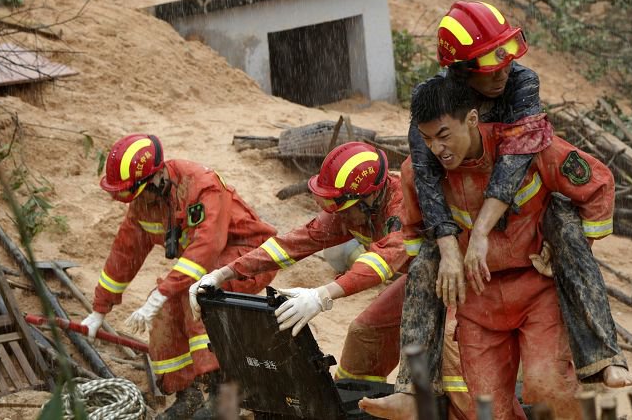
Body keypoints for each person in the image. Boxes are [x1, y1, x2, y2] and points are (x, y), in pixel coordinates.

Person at [361, 1, 632, 420]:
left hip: (532, 234)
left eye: (506, 58)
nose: (503, 71)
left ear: (472, 120)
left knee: (567, 232)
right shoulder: (435, 109)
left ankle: (603, 355)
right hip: (480, 286)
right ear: (461, 70)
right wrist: (448, 248)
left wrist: (491, 232)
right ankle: (414, 388)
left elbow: (520, 154)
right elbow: (425, 177)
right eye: (490, 64)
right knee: (428, 263)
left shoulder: (522, 86)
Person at [190, 142, 472, 419]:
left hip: (463, 278)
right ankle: (359, 407)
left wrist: (321, 295)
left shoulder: (401, 206)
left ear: (370, 197)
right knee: (365, 332)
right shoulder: (351, 211)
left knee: (454, 353)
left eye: (339, 204)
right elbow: (292, 244)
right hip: (422, 281)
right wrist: (225, 273)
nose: (334, 212)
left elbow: (381, 263)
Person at [406, 76, 616, 417]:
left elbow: (598, 182)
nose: (437, 148)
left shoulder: (526, 148)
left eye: (444, 135)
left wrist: (575, 247)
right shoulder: (420, 173)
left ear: (472, 119)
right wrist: (443, 263)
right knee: (488, 409)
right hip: (477, 301)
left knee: (547, 385)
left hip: (536, 291)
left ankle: (605, 362)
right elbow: (413, 230)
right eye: (427, 139)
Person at [81, 134, 277, 419]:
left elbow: (207, 247)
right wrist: (100, 309)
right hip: (205, 265)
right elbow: (125, 254)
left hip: (251, 258)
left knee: (196, 296)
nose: (138, 202)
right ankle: (188, 394)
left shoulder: (202, 185)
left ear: (157, 177)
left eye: (140, 193)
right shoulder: (145, 202)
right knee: (164, 306)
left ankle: (223, 395)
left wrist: (166, 291)